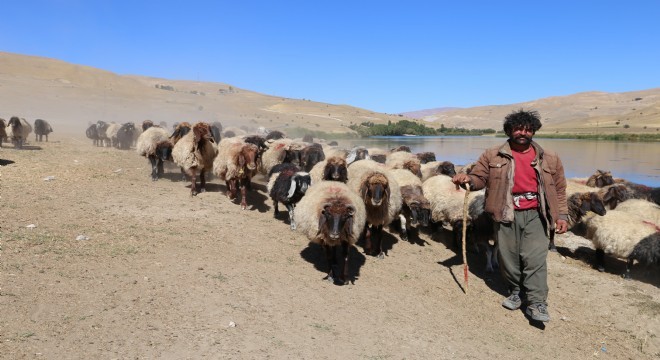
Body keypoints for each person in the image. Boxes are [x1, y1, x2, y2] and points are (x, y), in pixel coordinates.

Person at [452, 109, 568, 322]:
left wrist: (562, 215)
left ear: (533, 131)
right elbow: (479, 178)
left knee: (535, 258)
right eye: (518, 128)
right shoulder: (492, 154)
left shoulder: (549, 158)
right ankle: (515, 291)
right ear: (509, 130)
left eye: (528, 129)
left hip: (537, 213)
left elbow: (560, 189)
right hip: (505, 211)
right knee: (508, 258)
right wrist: (467, 179)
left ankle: (537, 302)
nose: (523, 132)